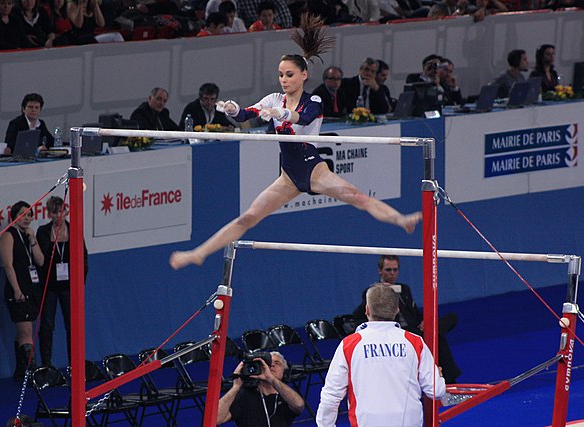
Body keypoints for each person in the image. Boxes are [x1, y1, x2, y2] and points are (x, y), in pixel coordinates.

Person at [169, 15, 421, 270]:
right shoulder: (273, 99)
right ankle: (198, 254)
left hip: (314, 169)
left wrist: (283, 114)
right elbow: (246, 114)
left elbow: (304, 118)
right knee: (248, 217)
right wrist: (232, 109)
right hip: (288, 176)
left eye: (289, 74)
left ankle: (401, 220)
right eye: (280, 75)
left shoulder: (314, 101)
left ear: (304, 74)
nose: (284, 80)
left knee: (357, 197)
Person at [317, 283, 446, 426]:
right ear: (397, 310)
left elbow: (331, 395)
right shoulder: (415, 343)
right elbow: (436, 391)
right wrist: (437, 376)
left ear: (366, 310)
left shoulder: (349, 345)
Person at [352, 255, 461, 383]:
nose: (392, 274)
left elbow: (414, 312)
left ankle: (433, 332)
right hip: (399, 332)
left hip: (416, 328)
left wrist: (425, 321)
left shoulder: (404, 289)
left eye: (395, 270)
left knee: (451, 318)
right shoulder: (373, 292)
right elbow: (358, 315)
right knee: (437, 337)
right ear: (380, 271)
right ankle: (450, 380)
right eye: (388, 270)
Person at [36, 196, 88, 367]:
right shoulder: (43, 232)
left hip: (69, 286)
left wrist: (80, 284)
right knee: (47, 325)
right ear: (49, 214)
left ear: (65, 211)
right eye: (54, 212)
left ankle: (74, 363)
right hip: (50, 286)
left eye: (61, 211)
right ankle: (46, 364)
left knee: (72, 326)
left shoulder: (74, 229)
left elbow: (83, 258)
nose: (58, 215)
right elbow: (42, 258)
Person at [0, 201, 45, 381]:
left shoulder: (27, 236)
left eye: (29, 215)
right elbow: (8, 265)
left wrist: (33, 240)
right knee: (26, 332)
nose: (27, 218)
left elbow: (40, 261)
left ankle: (21, 370)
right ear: (14, 216)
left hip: (31, 288)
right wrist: (16, 290)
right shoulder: (8, 236)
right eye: (23, 214)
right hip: (18, 290)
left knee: (24, 331)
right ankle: (32, 373)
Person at [216, 351, 305, 426]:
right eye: (268, 363)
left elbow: (299, 405)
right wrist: (236, 386)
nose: (271, 365)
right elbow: (216, 418)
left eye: (277, 363)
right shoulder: (245, 395)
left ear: (284, 372)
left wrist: (271, 379)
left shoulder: (285, 395)